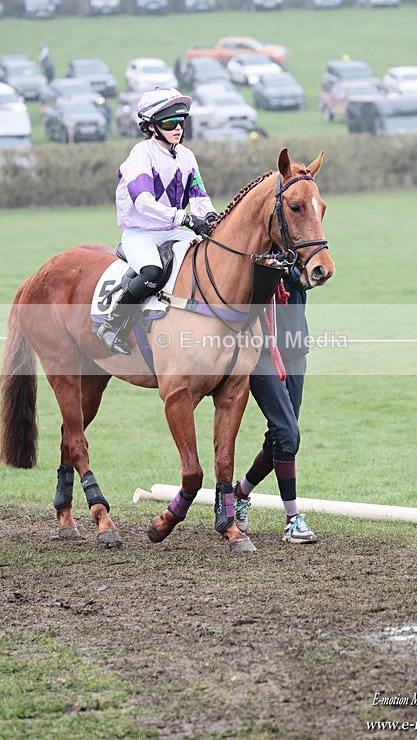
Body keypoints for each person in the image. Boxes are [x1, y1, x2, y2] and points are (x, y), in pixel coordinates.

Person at [96, 87, 217, 355]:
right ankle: (111, 325)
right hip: (141, 233)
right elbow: (144, 202)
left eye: (181, 122)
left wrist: (210, 216)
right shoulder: (141, 154)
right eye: (169, 123)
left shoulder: (186, 156)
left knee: (210, 257)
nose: (177, 129)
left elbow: (199, 196)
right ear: (151, 127)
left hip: (174, 231)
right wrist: (183, 217)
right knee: (152, 273)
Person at [233, 265, 317, 544]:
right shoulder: (256, 252)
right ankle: (293, 519)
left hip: (295, 350)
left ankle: (240, 494)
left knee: (283, 436)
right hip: (261, 353)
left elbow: (315, 274)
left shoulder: (301, 251)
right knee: (287, 433)